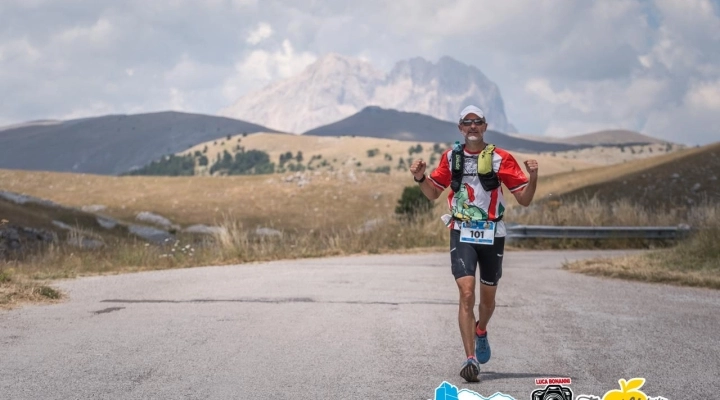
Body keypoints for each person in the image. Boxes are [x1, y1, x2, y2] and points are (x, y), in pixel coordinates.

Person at [409, 105, 538, 383]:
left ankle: (481, 330)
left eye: (477, 122)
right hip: (460, 230)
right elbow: (433, 193)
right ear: (460, 128)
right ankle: (470, 360)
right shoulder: (451, 157)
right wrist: (420, 177)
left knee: (487, 301)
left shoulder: (501, 158)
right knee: (467, 293)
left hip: (493, 233)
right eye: (467, 123)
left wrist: (534, 176)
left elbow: (524, 199)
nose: (472, 127)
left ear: (485, 126)